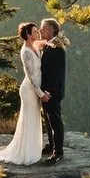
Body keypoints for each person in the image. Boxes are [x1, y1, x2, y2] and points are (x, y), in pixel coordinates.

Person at [0, 22, 48, 166]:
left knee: (34, 118)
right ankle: (26, 153)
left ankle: (32, 150)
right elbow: (31, 77)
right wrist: (41, 94)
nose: (37, 33)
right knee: (29, 119)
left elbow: (47, 42)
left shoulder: (34, 46)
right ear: (28, 35)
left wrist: (56, 40)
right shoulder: (26, 52)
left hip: (35, 89)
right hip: (29, 90)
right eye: (35, 32)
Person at [38, 18, 67, 163]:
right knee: (48, 120)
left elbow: (56, 73)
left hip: (52, 92)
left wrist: (48, 92)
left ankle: (58, 152)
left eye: (43, 28)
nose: (40, 31)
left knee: (55, 120)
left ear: (51, 30)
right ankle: (51, 145)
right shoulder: (49, 45)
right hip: (46, 91)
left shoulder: (57, 47)